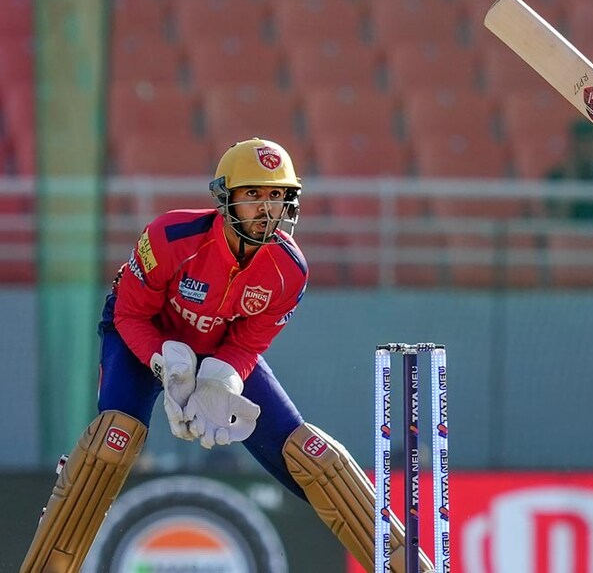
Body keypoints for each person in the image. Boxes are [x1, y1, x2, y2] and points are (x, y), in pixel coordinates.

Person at [21, 138, 432, 573]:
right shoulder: (170, 236)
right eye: (253, 194)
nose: (266, 208)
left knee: (313, 456)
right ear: (226, 198)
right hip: (145, 335)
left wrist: (223, 379)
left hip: (219, 348)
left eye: (277, 195)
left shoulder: (289, 269)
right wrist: (164, 362)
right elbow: (129, 313)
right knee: (113, 441)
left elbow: (248, 343)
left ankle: (407, 566)